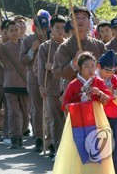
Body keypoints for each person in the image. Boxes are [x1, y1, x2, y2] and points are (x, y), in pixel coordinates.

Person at [54, 51, 114, 174]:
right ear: (80, 68)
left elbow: (108, 100)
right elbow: (64, 105)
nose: (90, 69)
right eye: (87, 66)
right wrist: (77, 105)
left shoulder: (99, 82)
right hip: (78, 122)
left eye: (93, 66)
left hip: (97, 120)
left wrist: (99, 93)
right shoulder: (73, 85)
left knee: (98, 149)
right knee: (78, 149)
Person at [0, 20, 27, 149]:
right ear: (6, 33)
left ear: (20, 31)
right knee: (12, 112)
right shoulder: (3, 47)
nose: (14, 33)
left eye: (16, 30)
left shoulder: (25, 45)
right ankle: (13, 136)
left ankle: (20, 134)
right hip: (9, 83)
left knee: (25, 113)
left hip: (25, 82)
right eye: (11, 31)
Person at [52, 6, 106, 92]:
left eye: (84, 17)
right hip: (73, 93)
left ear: (89, 22)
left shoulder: (99, 45)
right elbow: (61, 73)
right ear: (72, 22)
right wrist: (74, 62)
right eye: (76, 17)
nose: (80, 20)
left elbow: (106, 69)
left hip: (95, 92)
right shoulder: (64, 47)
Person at [37, 15, 66, 158]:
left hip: (66, 88)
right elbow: (41, 68)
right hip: (51, 87)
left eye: (62, 28)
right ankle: (56, 146)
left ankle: (67, 148)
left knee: (67, 119)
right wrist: (41, 86)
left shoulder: (69, 45)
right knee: (55, 119)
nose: (60, 31)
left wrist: (53, 66)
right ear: (51, 29)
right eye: (57, 28)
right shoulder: (45, 47)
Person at [20, 14, 49, 152]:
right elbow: (23, 61)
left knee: (50, 110)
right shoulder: (28, 41)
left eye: (45, 28)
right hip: (33, 78)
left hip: (50, 79)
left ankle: (50, 137)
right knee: (36, 109)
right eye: (40, 28)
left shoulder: (51, 40)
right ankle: (39, 136)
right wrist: (32, 50)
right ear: (35, 27)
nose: (43, 31)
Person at [97, 50, 117, 174]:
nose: (109, 74)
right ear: (99, 67)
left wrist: (113, 92)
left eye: (112, 71)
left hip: (112, 119)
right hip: (96, 118)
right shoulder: (93, 78)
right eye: (106, 71)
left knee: (113, 150)